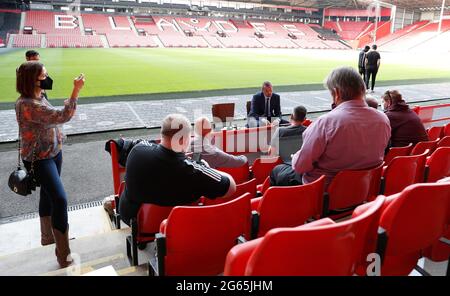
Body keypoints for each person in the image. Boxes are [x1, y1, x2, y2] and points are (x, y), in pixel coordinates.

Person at [15, 62, 85, 268]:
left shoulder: (38, 96)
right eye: (44, 75)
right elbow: (63, 116)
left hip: (53, 152)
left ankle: (47, 236)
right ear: (33, 80)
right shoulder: (28, 104)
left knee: (47, 194)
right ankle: (63, 255)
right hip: (39, 159)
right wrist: (76, 90)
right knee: (60, 200)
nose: (47, 78)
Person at [119, 114, 237, 226]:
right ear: (182, 140)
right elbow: (231, 187)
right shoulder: (195, 171)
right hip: (179, 226)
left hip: (133, 219)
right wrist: (206, 168)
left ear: (162, 134)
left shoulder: (138, 149)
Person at [290, 66, 390, 187]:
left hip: (324, 196)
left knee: (279, 172)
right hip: (364, 190)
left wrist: (295, 156)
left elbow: (300, 166)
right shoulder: (383, 119)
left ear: (337, 93)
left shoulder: (325, 123)